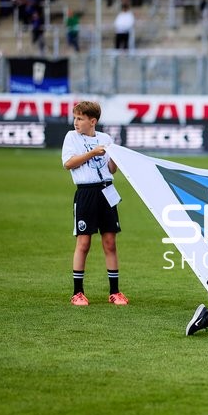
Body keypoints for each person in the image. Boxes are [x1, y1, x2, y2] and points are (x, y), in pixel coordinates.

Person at [62, 101, 129, 307]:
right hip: (86, 194)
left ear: (93, 121)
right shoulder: (71, 137)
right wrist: (92, 153)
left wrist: (116, 157)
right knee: (84, 243)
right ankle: (78, 292)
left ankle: (115, 291)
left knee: (110, 242)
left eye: (80, 119)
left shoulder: (105, 138)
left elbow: (111, 169)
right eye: (75, 118)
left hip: (106, 192)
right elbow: (68, 164)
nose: (76, 122)